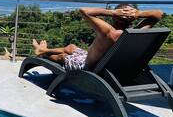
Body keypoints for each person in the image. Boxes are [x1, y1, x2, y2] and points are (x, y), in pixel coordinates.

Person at [32, 4, 164, 71]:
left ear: (114, 17)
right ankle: (43, 50)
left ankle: (43, 54)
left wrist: (112, 11)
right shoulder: (135, 33)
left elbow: (84, 11)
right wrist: (138, 13)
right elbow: (158, 14)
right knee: (71, 47)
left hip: (89, 67)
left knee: (63, 57)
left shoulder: (109, 32)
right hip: (104, 63)